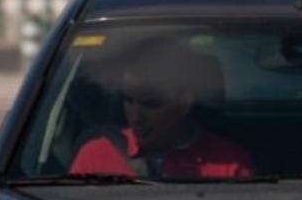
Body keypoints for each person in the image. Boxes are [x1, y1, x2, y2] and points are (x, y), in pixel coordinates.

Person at [69, 43, 253, 179]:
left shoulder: (229, 164)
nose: (135, 116)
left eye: (150, 104)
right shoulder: (97, 155)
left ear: (185, 101)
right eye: (128, 100)